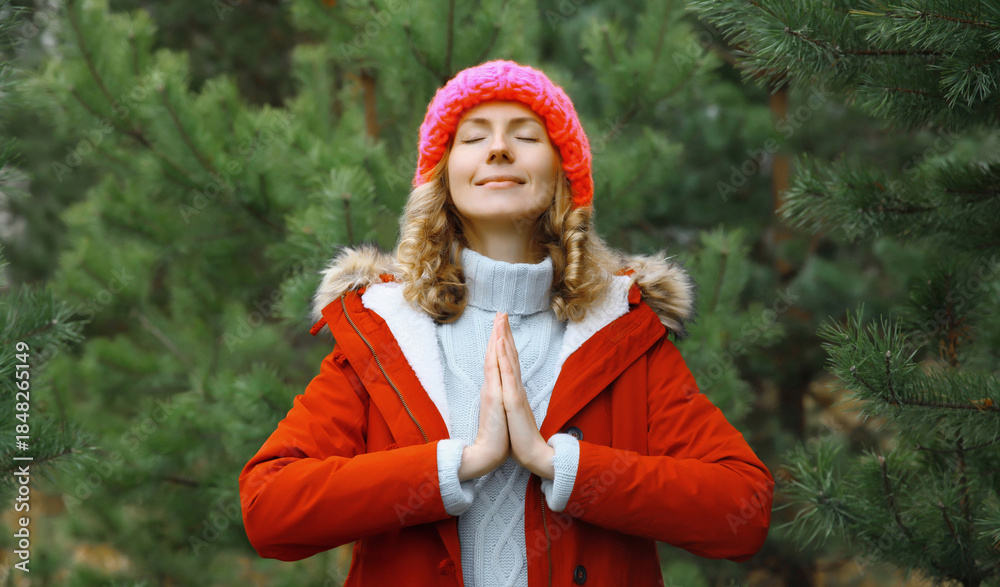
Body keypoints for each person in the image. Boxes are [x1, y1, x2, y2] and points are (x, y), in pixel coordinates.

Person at [239, 59, 773, 586]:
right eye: (472, 138)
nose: (498, 148)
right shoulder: (383, 332)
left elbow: (742, 509)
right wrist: (456, 466)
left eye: (526, 135)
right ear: (441, 179)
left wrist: (560, 465)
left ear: (563, 175)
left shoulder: (623, 331)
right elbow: (270, 507)